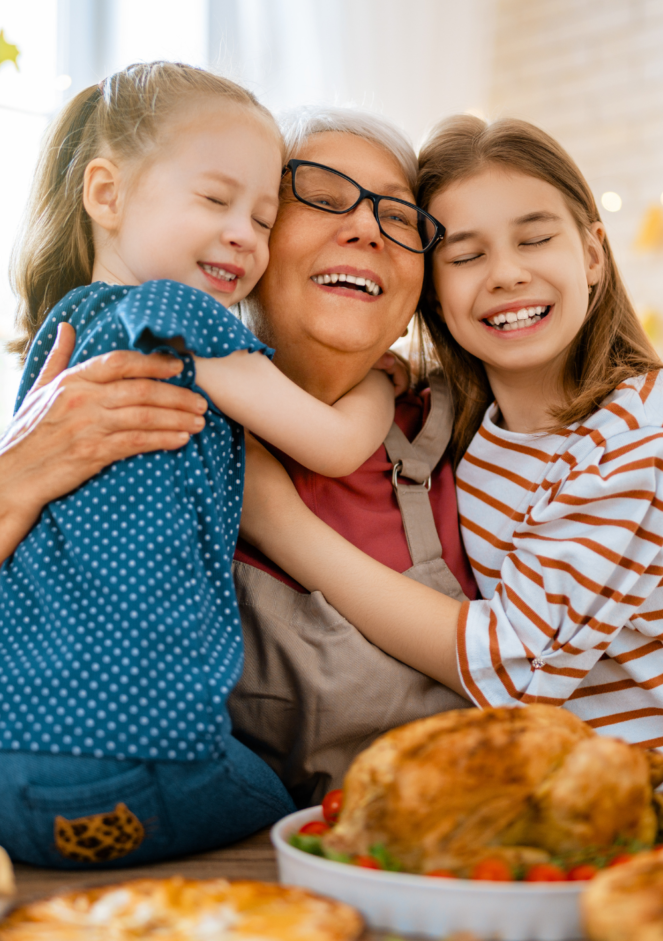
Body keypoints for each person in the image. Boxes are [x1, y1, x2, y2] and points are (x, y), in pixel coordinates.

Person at [1, 105, 476, 812]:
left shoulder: (478, 432)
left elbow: (536, 667)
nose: (367, 227)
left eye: (400, 218)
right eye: (318, 192)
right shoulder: (105, 412)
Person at [239, 115, 663, 752]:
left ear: (593, 255)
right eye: (466, 256)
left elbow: (517, 670)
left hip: (628, 804)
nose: (506, 275)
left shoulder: (637, 438)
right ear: (432, 294)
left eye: (536, 239)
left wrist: (275, 518)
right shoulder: (457, 416)